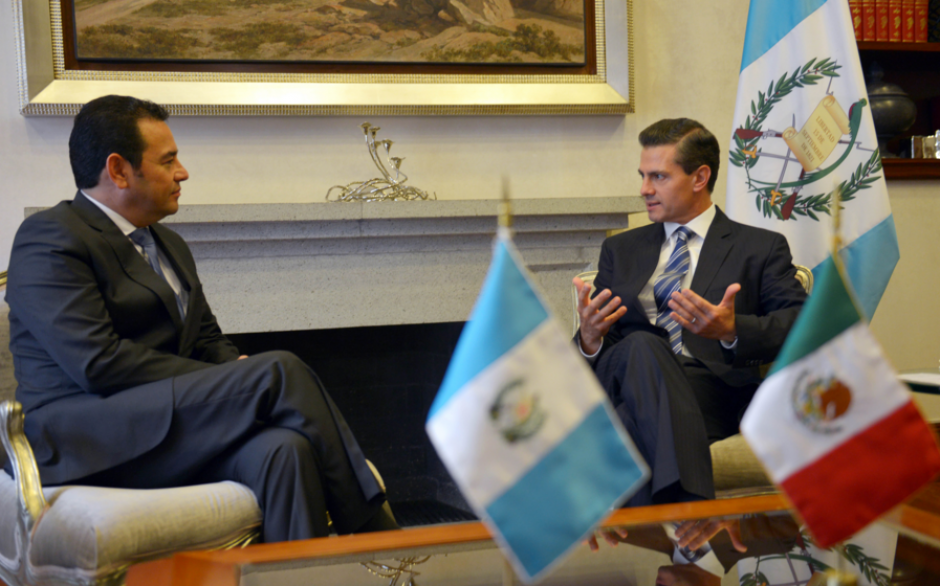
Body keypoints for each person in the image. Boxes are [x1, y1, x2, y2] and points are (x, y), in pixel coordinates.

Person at [5, 95, 398, 543]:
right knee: (279, 371)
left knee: (285, 450)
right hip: (85, 439)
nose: (183, 172)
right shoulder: (50, 237)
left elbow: (206, 336)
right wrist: (235, 381)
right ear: (118, 170)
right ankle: (378, 537)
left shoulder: (168, 242)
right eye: (168, 160)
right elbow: (97, 362)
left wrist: (230, 372)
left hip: (170, 428)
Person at [574, 118, 807, 506]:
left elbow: (801, 324)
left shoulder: (759, 248)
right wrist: (589, 338)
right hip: (626, 371)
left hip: (708, 392)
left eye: (659, 177)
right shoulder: (621, 250)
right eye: (643, 176)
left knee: (629, 421)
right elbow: (603, 346)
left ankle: (670, 541)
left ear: (700, 178)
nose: (644, 190)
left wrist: (732, 330)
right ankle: (692, 521)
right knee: (644, 346)